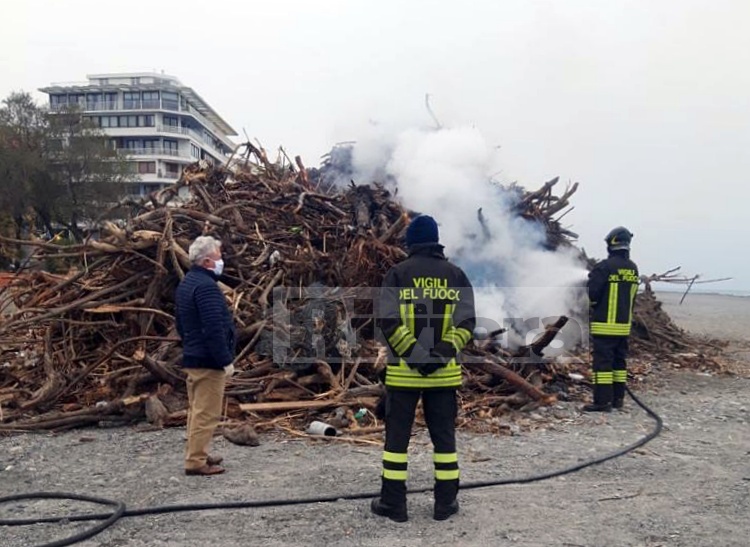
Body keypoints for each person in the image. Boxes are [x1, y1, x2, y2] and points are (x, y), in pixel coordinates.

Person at [372, 215, 476, 522]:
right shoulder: (456, 275)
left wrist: (415, 356)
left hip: (404, 374)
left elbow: (388, 322)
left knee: (396, 442)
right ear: (436, 242)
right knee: (444, 440)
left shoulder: (397, 274)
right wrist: (439, 355)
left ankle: (394, 504)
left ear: (411, 243)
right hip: (444, 375)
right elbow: (467, 323)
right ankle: (445, 503)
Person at [175, 235, 236, 475]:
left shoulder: (188, 282)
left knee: (196, 409)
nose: (222, 261)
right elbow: (214, 328)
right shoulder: (206, 288)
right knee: (206, 412)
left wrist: (190, 344)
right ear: (208, 261)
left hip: (193, 355)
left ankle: (198, 452)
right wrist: (224, 360)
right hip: (208, 361)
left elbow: (180, 323)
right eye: (219, 257)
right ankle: (195, 461)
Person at [584, 226, 639, 412]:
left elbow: (593, 294)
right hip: (623, 326)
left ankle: (602, 402)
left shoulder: (604, 267)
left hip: (605, 326)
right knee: (619, 363)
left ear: (611, 244)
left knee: (602, 366)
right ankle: (618, 399)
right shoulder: (633, 268)